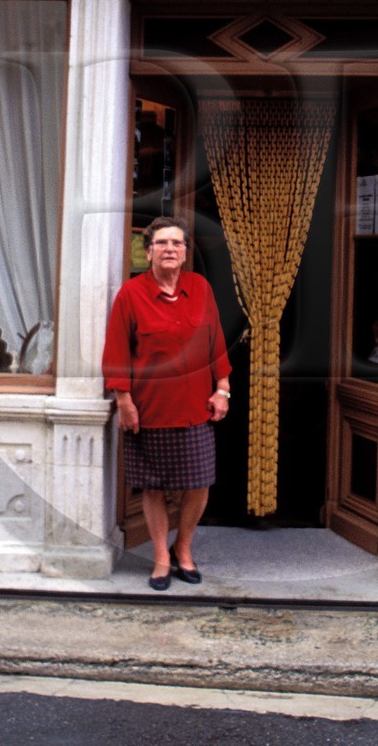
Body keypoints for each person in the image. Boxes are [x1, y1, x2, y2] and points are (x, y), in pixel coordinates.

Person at [103, 216, 231, 591]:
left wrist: (222, 388)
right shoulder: (131, 294)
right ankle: (161, 556)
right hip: (150, 408)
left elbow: (215, 342)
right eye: (161, 243)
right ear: (148, 252)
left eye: (177, 243)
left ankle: (183, 547)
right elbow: (116, 352)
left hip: (195, 408)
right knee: (154, 486)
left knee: (199, 483)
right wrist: (124, 400)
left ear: (186, 252)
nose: (170, 249)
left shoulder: (200, 288)